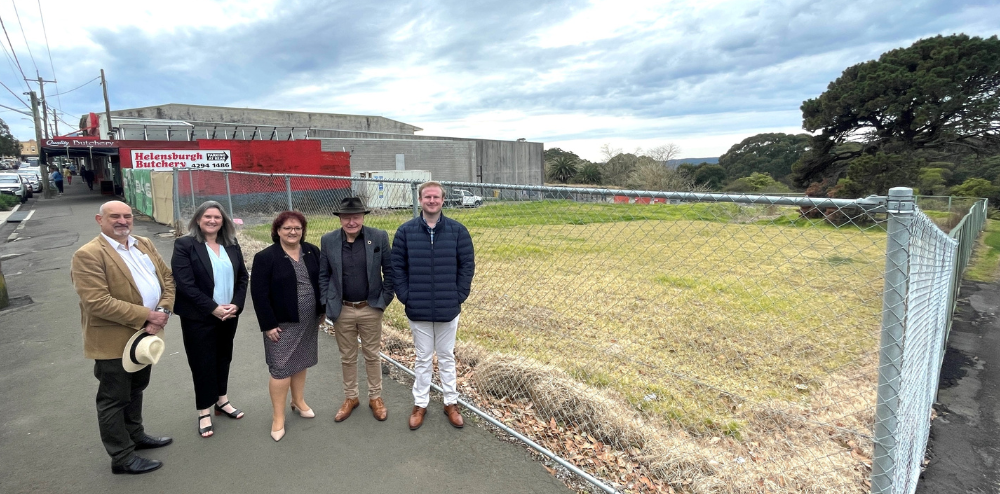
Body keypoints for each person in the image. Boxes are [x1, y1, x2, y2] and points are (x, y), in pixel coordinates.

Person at [70, 200, 175, 474]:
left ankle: (135, 436)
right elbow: (97, 302)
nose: (122, 221)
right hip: (113, 341)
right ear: (99, 219)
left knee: (136, 388)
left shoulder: (143, 243)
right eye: (114, 216)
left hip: (145, 337)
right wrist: (146, 315)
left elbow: (167, 279)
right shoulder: (89, 254)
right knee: (113, 398)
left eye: (127, 216)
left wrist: (162, 311)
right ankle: (122, 457)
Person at [392, 181, 475, 430]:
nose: (431, 201)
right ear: (420, 200)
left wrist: (458, 295)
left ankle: (451, 402)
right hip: (417, 308)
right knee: (423, 357)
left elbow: (466, 266)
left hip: (448, 308)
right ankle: (421, 403)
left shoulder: (458, 231)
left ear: (442, 200)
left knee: (447, 357)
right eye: (427, 196)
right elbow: (398, 268)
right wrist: (406, 295)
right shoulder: (405, 232)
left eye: (436, 197)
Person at [171, 201, 249, 438]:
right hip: (199, 317)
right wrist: (213, 308)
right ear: (197, 220)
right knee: (202, 363)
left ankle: (221, 401)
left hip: (229, 315)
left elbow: (243, 278)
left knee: (223, 357)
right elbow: (185, 285)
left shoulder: (231, 244)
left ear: (223, 221)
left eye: (217, 217)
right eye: (207, 217)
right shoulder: (185, 245)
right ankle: (204, 410)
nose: (212, 221)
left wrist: (236, 304)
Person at [318, 197, 394, 423]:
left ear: (362, 217)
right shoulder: (329, 240)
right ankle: (351, 397)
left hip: (370, 307)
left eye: (356, 217)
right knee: (348, 357)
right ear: (340, 218)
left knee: (372, 355)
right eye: (347, 217)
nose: (351, 222)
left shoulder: (378, 237)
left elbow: (389, 272)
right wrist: (327, 302)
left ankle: (375, 397)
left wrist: (383, 301)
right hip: (342, 310)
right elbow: (324, 275)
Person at [251, 211, 324, 441]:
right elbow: (259, 295)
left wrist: (321, 311)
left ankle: (298, 400)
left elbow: (320, 282)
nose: (293, 232)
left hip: (309, 319)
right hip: (281, 324)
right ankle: (278, 416)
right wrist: (268, 325)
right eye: (287, 228)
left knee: (301, 360)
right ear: (277, 231)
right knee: (281, 369)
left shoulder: (312, 251)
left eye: (297, 228)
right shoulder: (266, 257)